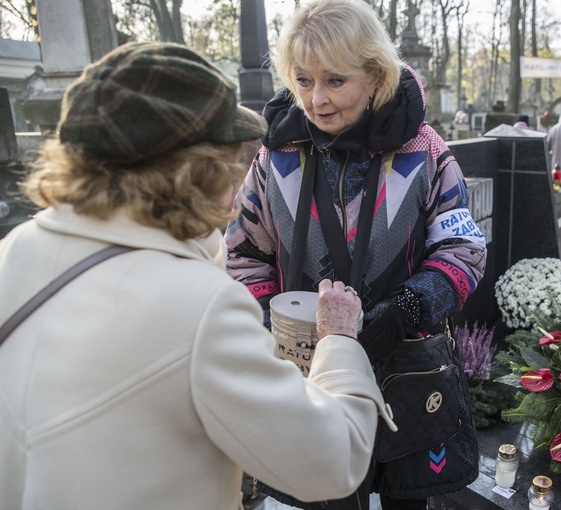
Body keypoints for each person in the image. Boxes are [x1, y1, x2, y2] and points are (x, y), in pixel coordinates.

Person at [0, 42, 395, 510]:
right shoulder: (198, 306)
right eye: (231, 156)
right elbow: (333, 461)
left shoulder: (16, 249)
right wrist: (340, 339)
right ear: (197, 170)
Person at [224, 0, 487, 508]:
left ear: (375, 75)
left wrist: (405, 310)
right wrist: (270, 321)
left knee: (407, 498)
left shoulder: (425, 151)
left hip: (406, 367)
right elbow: (243, 254)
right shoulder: (275, 156)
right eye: (302, 80)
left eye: (335, 81)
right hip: (310, 375)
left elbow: (464, 248)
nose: (315, 99)